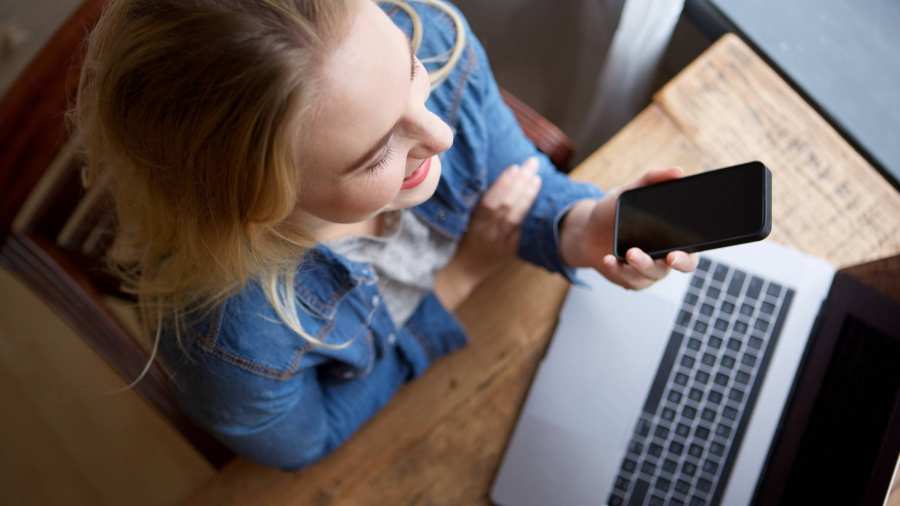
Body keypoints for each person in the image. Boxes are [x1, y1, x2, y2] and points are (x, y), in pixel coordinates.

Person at [69, 0, 698, 471]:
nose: (440, 136)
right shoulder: (227, 338)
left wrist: (581, 226)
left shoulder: (431, 35)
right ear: (258, 204)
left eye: (410, 74)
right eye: (375, 156)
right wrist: (459, 278)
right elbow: (306, 441)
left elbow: (514, 184)